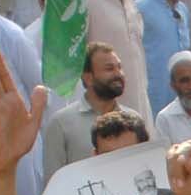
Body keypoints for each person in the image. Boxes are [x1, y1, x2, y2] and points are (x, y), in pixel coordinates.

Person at [41, 42, 128, 181]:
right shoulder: (61, 124)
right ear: (88, 78)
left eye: (119, 67)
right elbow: (53, 184)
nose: (118, 74)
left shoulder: (133, 119)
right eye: (109, 69)